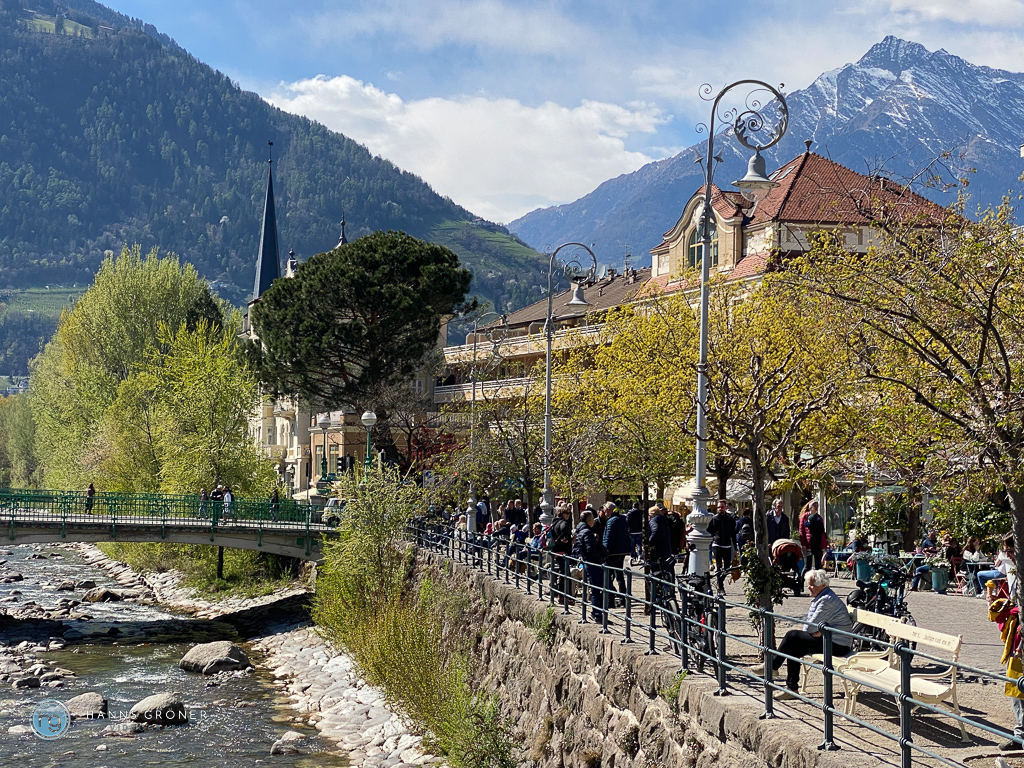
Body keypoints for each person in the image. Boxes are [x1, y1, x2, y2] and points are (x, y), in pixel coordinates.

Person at [772, 570, 853, 699]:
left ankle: (773, 666)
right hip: (829, 639)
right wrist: (813, 631)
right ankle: (791, 688)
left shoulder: (827, 600)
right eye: (808, 584)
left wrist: (812, 631)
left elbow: (810, 627)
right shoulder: (821, 597)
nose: (808, 587)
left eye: (812, 585)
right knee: (794, 645)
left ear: (822, 585)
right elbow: (812, 626)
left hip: (838, 645)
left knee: (792, 636)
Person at [574, 509, 608, 623]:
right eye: (592, 519)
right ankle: (597, 614)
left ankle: (597, 613)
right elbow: (590, 550)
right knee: (597, 589)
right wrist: (601, 558)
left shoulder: (581, 531)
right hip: (593, 563)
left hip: (588, 562)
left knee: (595, 588)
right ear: (589, 520)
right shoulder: (587, 532)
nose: (593, 521)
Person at [602, 502, 631, 606]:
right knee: (619, 576)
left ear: (610, 509)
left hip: (613, 553)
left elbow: (608, 538)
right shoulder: (622, 519)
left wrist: (605, 551)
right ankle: (623, 599)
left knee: (608, 576)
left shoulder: (611, 521)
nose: (604, 511)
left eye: (605, 509)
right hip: (622, 551)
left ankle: (610, 600)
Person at [708, 500, 737, 595]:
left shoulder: (730, 518)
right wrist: (714, 537)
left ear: (725, 507)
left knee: (727, 567)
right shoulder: (714, 518)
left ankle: (720, 581)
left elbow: (733, 533)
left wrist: (735, 549)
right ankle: (720, 587)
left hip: (727, 545)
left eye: (722, 507)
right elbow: (709, 530)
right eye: (719, 507)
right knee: (719, 566)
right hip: (717, 545)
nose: (721, 509)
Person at [549, 504, 574, 604]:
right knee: (565, 574)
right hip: (563, 551)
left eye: (569, 513)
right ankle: (564, 596)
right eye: (567, 513)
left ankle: (560, 595)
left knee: (562, 573)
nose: (568, 515)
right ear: (562, 513)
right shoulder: (564, 523)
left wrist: (559, 539)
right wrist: (567, 539)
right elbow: (564, 529)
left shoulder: (554, 522)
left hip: (556, 550)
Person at [799, 501, 827, 571]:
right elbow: (801, 532)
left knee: (818, 565)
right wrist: (803, 544)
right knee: (807, 565)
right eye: (815, 506)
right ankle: (802, 581)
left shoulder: (819, 518)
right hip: (809, 544)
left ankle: (819, 581)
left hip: (817, 543)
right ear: (810, 507)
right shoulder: (805, 517)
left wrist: (824, 545)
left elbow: (822, 532)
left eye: (817, 506)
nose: (816, 507)